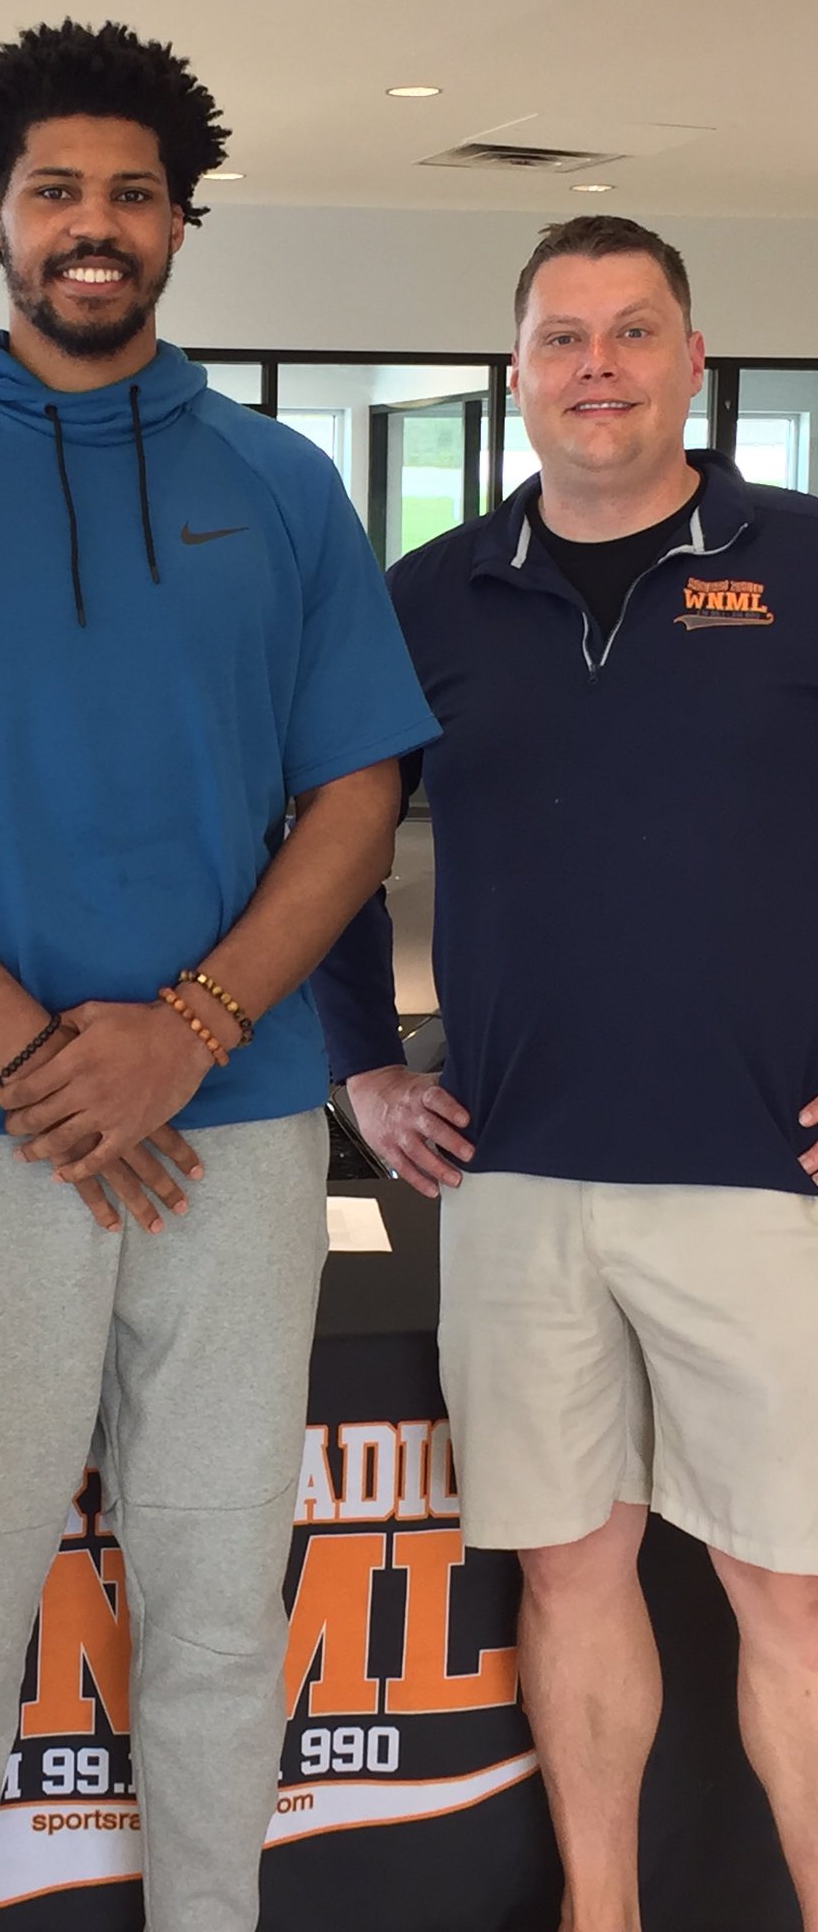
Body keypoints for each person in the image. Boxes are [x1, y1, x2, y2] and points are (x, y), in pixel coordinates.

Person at [0, 19, 438, 1932]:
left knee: (224, 1605)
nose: (94, 222)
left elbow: (356, 793)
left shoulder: (284, 487)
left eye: (133, 192)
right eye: (55, 188)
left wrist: (190, 1033)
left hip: (232, 1142)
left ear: (179, 225)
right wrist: (40, 1055)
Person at [312, 215, 818, 1932]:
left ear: (692, 359)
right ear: (517, 373)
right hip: (513, 1174)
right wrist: (360, 1072)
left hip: (766, 1180)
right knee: (570, 1574)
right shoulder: (430, 596)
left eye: (632, 330)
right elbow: (324, 847)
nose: (596, 363)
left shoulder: (806, 561)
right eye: (562, 336)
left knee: (789, 1596)